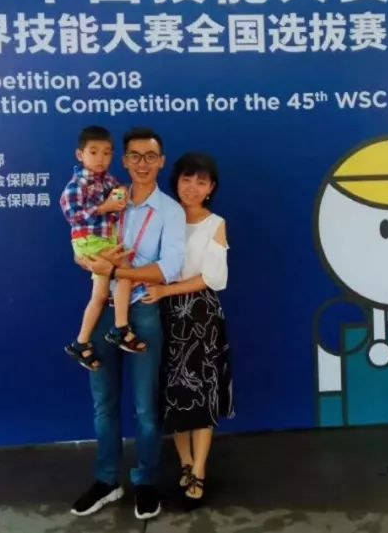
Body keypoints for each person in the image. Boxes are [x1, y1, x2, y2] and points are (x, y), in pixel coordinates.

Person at [69, 128, 186, 521]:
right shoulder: (107, 196)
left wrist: (118, 271)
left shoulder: (170, 210)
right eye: (134, 156)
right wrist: (86, 260)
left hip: (142, 312)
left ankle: (145, 481)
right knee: (104, 403)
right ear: (124, 160)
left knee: (145, 407)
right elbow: (81, 239)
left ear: (161, 161)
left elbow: (169, 268)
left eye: (150, 156)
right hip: (103, 308)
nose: (142, 163)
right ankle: (107, 480)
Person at [143, 152, 234, 510]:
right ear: (175, 181)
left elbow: (214, 278)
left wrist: (165, 290)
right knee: (174, 392)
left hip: (200, 318)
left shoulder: (216, 224)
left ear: (211, 188)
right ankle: (184, 462)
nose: (192, 187)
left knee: (203, 393)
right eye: (186, 179)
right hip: (162, 315)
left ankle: (199, 469)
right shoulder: (164, 218)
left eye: (201, 181)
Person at [58, 126, 146, 371]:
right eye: (94, 152)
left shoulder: (109, 181)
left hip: (106, 240)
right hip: (89, 241)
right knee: (120, 273)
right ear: (80, 155)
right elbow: (73, 215)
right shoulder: (77, 184)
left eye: (106, 153)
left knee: (104, 291)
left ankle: (84, 341)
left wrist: (121, 197)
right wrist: (104, 208)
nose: (100, 158)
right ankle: (117, 329)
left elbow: (119, 202)